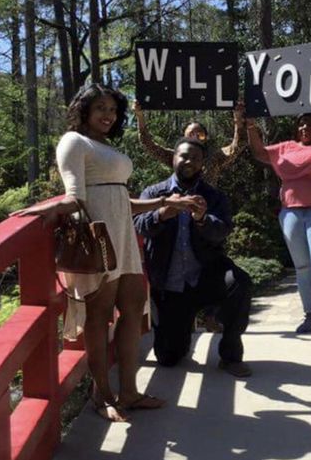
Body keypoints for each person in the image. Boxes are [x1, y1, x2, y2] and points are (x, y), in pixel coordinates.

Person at [14, 84, 195, 422]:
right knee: (99, 319)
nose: (108, 115)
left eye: (112, 109)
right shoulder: (74, 141)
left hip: (124, 236)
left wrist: (164, 202)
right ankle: (102, 395)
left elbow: (120, 199)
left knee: (131, 311)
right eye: (100, 108)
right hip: (98, 241)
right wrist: (48, 210)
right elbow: (75, 196)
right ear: (83, 109)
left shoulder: (104, 145)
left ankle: (129, 391)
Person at [134, 138, 253, 377]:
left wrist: (202, 219)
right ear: (173, 158)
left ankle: (230, 355)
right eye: (184, 156)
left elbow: (221, 232)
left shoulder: (213, 196)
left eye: (196, 158)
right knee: (169, 357)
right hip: (171, 286)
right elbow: (139, 226)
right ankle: (183, 329)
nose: (189, 161)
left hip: (206, 277)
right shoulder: (154, 193)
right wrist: (162, 213)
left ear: (202, 165)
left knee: (240, 282)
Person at [246, 113, 311, 335]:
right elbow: (259, 152)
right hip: (291, 212)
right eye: (300, 124)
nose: (304, 127)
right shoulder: (286, 147)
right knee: (301, 266)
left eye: (310, 124)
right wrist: (251, 126)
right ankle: (308, 316)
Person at [134, 102, 246, 187]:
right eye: (191, 134)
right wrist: (139, 116)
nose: (196, 137)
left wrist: (238, 119)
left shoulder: (215, 157)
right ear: (184, 137)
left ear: (206, 138)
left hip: (208, 207)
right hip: (181, 207)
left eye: (200, 135)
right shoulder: (176, 157)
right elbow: (149, 145)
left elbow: (236, 147)